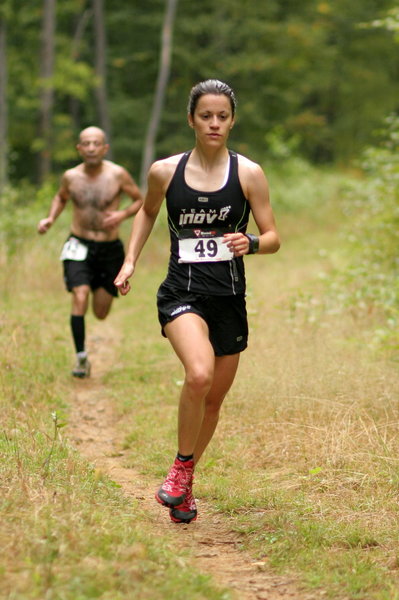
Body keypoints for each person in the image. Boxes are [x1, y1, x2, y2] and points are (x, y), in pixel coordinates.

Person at [114, 80, 280, 524]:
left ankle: (184, 484)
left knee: (212, 403)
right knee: (199, 373)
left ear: (232, 120)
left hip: (228, 297)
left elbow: (274, 237)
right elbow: (147, 210)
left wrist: (251, 242)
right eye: (206, 115)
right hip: (181, 293)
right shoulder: (165, 171)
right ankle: (180, 469)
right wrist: (130, 260)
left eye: (222, 116)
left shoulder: (248, 173)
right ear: (191, 119)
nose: (214, 123)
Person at [38, 126, 143, 378]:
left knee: (101, 312)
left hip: (109, 249)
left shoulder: (117, 174)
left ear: (105, 148)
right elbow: (61, 197)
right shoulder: (71, 177)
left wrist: (122, 214)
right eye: (86, 143)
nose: (92, 147)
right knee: (80, 295)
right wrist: (50, 218)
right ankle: (81, 359)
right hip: (79, 244)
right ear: (79, 148)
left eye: (97, 143)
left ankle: (99, 294)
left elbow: (139, 200)